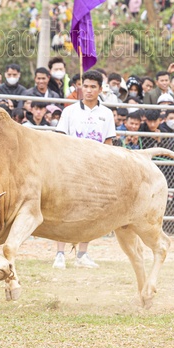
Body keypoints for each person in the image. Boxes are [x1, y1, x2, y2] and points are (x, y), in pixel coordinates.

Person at [53, 70, 116, 269]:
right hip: (71, 166)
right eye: (85, 86)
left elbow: (108, 143)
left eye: (92, 87)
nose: (88, 90)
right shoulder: (69, 111)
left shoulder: (106, 114)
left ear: (100, 89)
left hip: (95, 169)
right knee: (64, 208)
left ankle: (82, 254)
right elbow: (60, 139)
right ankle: (60, 254)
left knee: (89, 211)